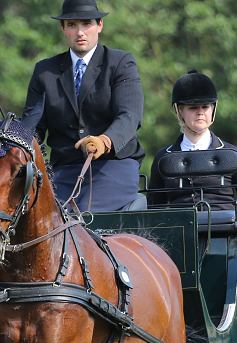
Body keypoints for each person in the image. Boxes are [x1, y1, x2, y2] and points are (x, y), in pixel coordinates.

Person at [22, 0, 145, 212]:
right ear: (63, 29)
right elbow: (33, 129)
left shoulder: (120, 63)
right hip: (64, 171)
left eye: (86, 24)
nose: (80, 32)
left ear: (99, 25)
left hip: (112, 167)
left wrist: (105, 141)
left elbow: (129, 115)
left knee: (83, 220)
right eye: (72, 25)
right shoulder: (44, 72)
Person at [148, 70, 237, 226]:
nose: (200, 112)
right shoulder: (163, 158)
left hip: (225, 235)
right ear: (180, 112)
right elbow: (153, 209)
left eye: (205, 107)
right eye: (193, 108)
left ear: (213, 110)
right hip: (179, 237)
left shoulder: (232, 155)